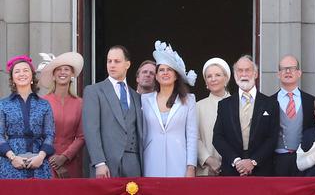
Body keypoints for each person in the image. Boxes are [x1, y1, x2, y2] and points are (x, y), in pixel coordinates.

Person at [82, 45, 146, 178]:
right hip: (106, 164)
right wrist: (99, 163)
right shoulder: (94, 91)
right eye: (109, 61)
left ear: (127, 64)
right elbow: (91, 130)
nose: (112, 65)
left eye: (117, 61)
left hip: (134, 164)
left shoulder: (137, 97)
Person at [212, 56, 279, 176]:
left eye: (247, 70)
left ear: (255, 74)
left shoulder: (270, 104)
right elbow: (217, 138)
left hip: (262, 171)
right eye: (240, 70)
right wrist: (237, 161)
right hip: (232, 171)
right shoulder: (224, 105)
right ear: (234, 74)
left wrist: (253, 162)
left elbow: (272, 138)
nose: (243, 74)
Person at [140, 41, 198, 178]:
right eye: (161, 70)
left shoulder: (189, 100)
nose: (165, 73)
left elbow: (192, 135)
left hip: (179, 160)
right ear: (156, 76)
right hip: (151, 160)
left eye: (169, 70)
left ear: (176, 75)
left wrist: (191, 166)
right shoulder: (144, 100)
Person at [1, 56, 54, 179]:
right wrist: (13, 158)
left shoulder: (44, 104)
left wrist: (40, 157)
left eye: (25, 70)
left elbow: (50, 134)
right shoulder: (3, 104)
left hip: (39, 163)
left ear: (32, 76)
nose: (22, 74)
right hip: (11, 163)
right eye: (17, 71)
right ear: (12, 78)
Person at [39, 52, 85, 178]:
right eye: (58, 70)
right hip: (47, 160)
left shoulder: (80, 103)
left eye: (66, 69)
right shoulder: (43, 102)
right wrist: (52, 157)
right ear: (53, 76)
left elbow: (81, 136)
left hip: (71, 161)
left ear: (72, 75)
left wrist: (65, 157)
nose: (62, 72)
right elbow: (38, 134)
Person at [272, 54, 315, 177]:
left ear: (299, 73)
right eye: (284, 68)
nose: (288, 71)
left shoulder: (312, 101)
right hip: (277, 161)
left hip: (305, 159)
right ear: (278, 74)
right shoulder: (268, 102)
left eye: (292, 68)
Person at [195, 58, 232, 177]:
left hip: (234, 170)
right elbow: (193, 137)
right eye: (209, 76)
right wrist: (209, 160)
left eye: (218, 75)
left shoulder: (238, 104)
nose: (213, 79)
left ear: (226, 78)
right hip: (206, 171)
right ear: (206, 82)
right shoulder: (198, 106)